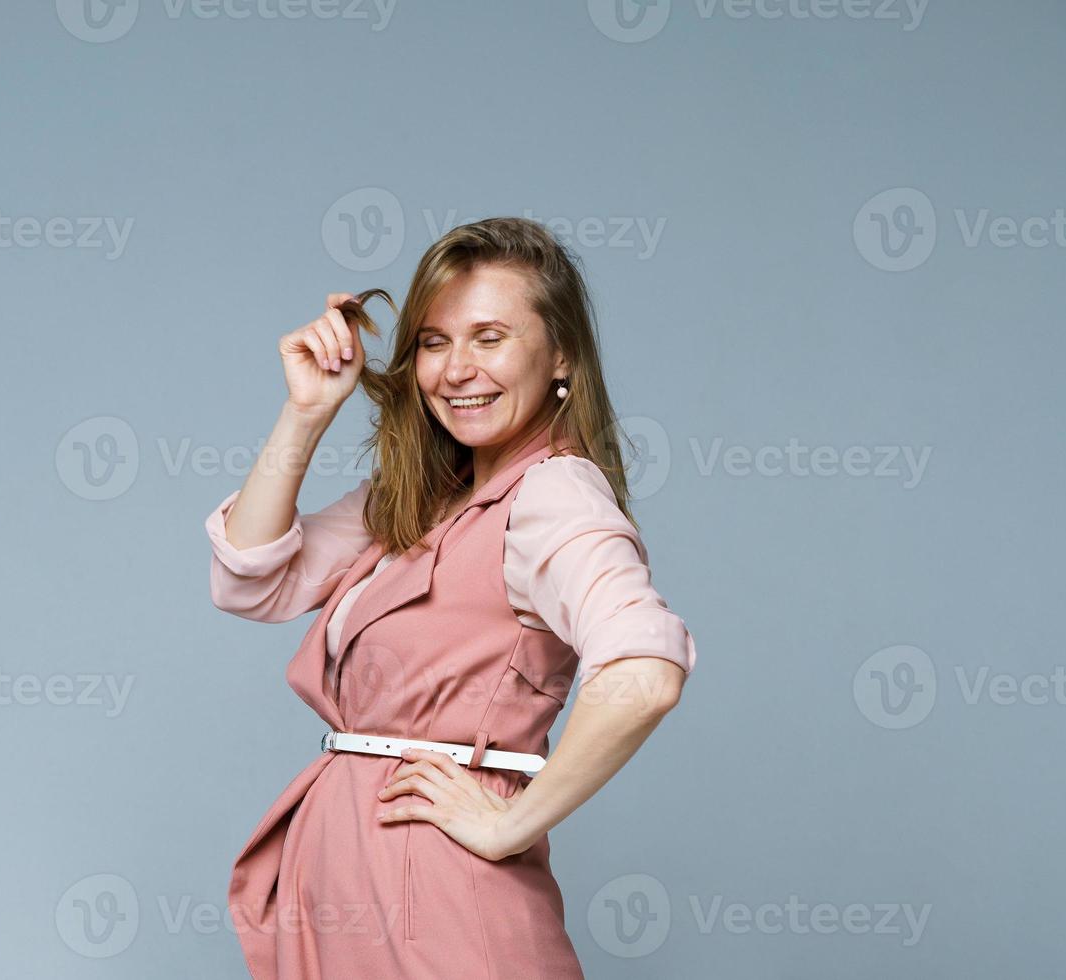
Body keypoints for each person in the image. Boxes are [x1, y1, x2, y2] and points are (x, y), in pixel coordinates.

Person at [204, 217, 697, 979]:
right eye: (435, 342)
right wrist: (306, 412)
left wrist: (512, 824)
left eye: (490, 337)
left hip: (431, 888)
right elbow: (252, 578)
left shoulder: (553, 492)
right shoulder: (423, 496)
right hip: (351, 879)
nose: (457, 369)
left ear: (561, 353)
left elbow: (645, 673)